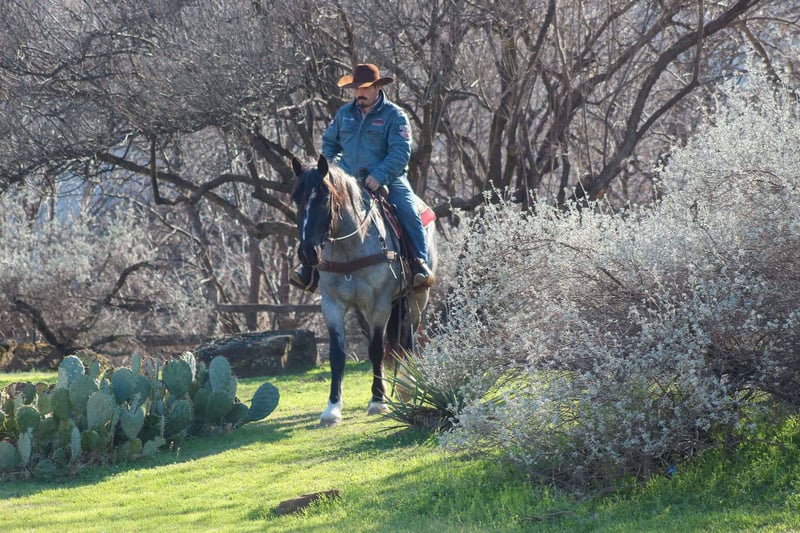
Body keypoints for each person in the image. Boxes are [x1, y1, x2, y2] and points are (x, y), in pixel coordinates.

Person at [290, 63, 434, 292]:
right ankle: (309, 267)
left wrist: (379, 176)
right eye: (356, 88)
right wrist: (333, 171)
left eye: (365, 88)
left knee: (408, 209)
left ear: (378, 88)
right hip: (348, 180)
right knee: (319, 210)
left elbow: (400, 152)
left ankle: (419, 265)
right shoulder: (344, 114)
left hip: (389, 179)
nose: (360, 93)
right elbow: (330, 144)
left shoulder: (395, 116)